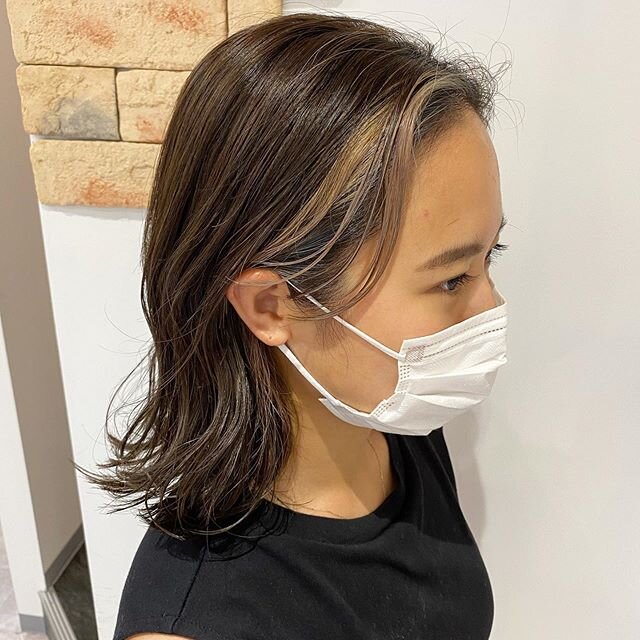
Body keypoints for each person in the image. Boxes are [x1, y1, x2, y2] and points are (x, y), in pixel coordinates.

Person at [79, 11, 512, 640]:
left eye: (491, 256)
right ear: (271, 307)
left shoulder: (394, 420)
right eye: (452, 280)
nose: (489, 309)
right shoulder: (200, 622)